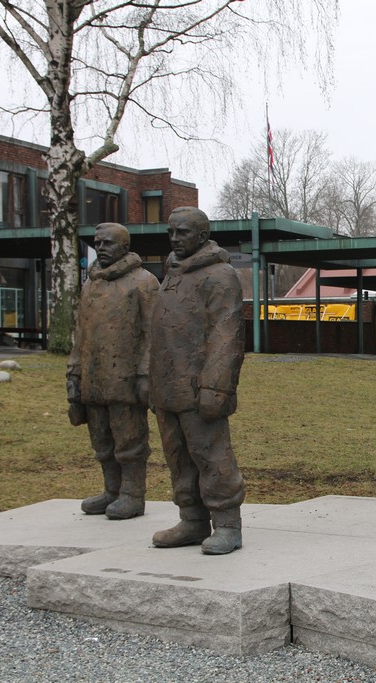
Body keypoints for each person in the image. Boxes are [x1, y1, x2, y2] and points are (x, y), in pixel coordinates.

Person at [149, 206, 246, 555]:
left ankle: (227, 523)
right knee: (177, 456)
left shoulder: (220, 276)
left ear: (202, 236)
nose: (175, 239)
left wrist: (216, 386)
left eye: (183, 233)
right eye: (171, 232)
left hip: (200, 387)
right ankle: (191, 519)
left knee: (211, 455)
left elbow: (227, 334)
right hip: (167, 385)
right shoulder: (172, 274)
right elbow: (158, 332)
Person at [67, 223, 159, 520]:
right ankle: (112, 489)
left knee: (129, 439)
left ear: (124, 246)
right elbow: (80, 332)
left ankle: (133, 494)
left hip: (126, 378)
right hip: (94, 376)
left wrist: (145, 374)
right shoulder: (90, 283)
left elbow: (152, 333)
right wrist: (74, 372)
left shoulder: (144, 282)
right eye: (97, 243)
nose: (101, 247)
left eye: (107, 243)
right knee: (101, 439)